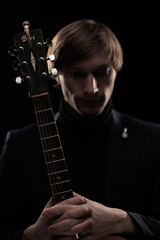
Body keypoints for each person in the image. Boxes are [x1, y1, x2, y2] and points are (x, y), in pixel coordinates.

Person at [0, 19, 160, 240]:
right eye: (77, 74)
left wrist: (123, 220)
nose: (91, 88)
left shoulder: (152, 139)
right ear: (55, 75)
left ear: (116, 69)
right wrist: (31, 235)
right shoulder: (20, 144)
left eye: (102, 72)